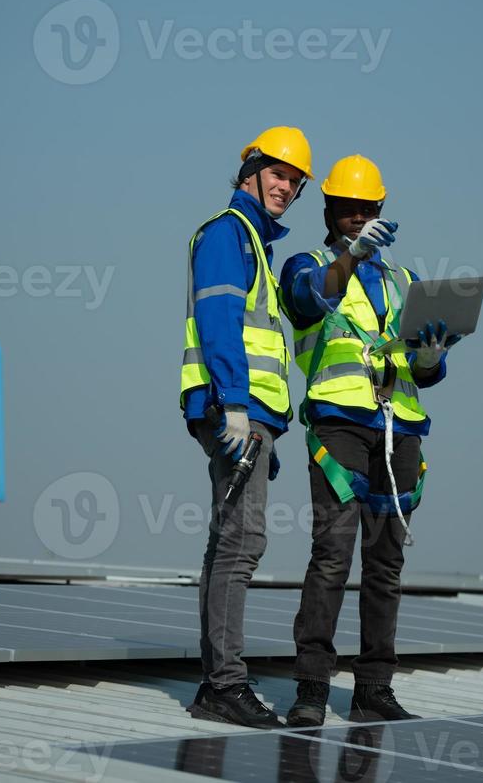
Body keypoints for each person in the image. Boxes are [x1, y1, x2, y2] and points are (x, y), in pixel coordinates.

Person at [279, 154, 459, 727]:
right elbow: (308, 302)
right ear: (329, 210)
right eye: (348, 209)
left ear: (379, 210)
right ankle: (311, 687)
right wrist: (350, 258)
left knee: (386, 564)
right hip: (340, 426)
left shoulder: (404, 281)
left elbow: (420, 371)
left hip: (398, 428)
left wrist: (432, 357)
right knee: (332, 556)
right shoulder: (305, 264)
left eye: (367, 209)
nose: (358, 218)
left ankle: (373, 688)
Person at [180, 126, 314, 729]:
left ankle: (220, 680)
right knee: (241, 543)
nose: (287, 186)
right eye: (279, 173)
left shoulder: (254, 241)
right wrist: (236, 405)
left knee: (228, 543)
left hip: (251, 420)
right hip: (235, 412)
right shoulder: (227, 233)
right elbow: (219, 319)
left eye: (296, 180)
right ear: (251, 171)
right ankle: (225, 685)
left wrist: (262, 429)